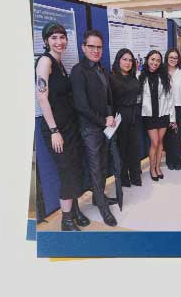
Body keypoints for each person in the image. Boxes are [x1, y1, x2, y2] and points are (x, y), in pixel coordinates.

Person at [34, 22, 88, 231]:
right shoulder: (45, 62)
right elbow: (42, 98)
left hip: (69, 127)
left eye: (62, 37)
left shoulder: (60, 63)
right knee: (66, 172)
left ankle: (74, 211)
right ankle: (66, 220)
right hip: (56, 130)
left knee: (74, 169)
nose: (59, 41)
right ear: (46, 40)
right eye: (54, 37)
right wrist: (54, 130)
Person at [69, 29, 118, 227]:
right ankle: (102, 208)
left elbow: (105, 98)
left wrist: (111, 117)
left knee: (103, 164)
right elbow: (81, 105)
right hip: (90, 129)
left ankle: (100, 198)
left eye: (99, 47)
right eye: (92, 47)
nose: (96, 50)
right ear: (83, 47)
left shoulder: (101, 69)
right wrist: (102, 120)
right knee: (96, 168)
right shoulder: (78, 71)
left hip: (104, 127)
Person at [139, 50, 174, 181]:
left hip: (163, 114)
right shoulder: (140, 76)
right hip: (149, 115)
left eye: (158, 60)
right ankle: (152, 168)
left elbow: (170, 98)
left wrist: (171, 117)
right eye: (153, 59)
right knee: (154, 142)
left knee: (160, 142)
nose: (155, 62)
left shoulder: (165, 77)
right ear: (148, 60)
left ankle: (158, 167)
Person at [110, 48, 142, 186]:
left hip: (134, 115)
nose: (128, 63)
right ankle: (124, 178)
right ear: (118, 60)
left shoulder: (134, 76)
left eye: (130, 60)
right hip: (120, 117)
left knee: (134, 147)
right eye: (124, 59)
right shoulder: (112, 78)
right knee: (122, 148)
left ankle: (135, 175)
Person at [162, 48, 181, 170]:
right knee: (167, 136)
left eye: (175, 57)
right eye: (171, 57)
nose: (173, 59)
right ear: (167, 58)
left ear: (178, 59)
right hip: (165, 108)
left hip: (178, 108)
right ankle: (169, 160)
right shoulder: (162, 72)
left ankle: (177, 160)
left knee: (176, 136)